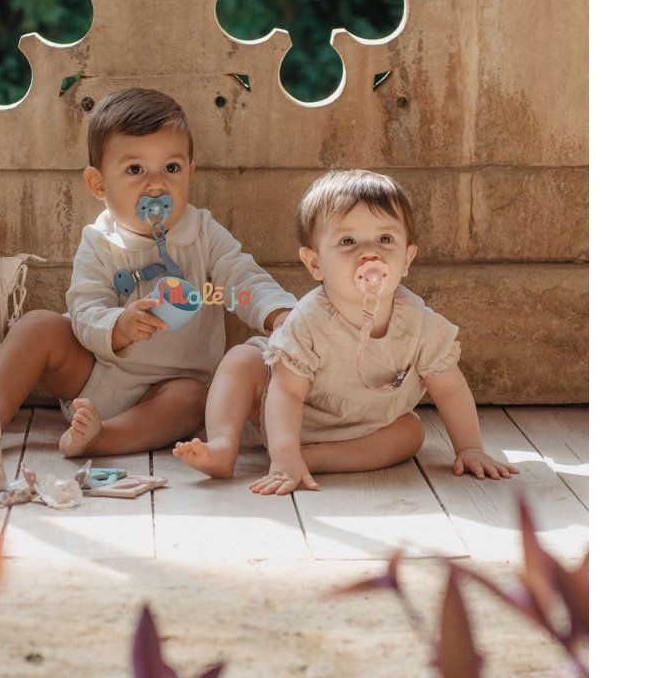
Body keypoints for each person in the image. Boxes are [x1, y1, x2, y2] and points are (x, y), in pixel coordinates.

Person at [0, 88, 297, 456]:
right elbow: (84, 309)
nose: (156, 185)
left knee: (196, 399)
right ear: (98, 184)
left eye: (171, 168)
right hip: (93, 373)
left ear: (189, 172)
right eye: (135, 170)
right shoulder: (100, 241)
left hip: (167, 390)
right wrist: (118, 326)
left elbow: (243, 281)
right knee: (36, 327)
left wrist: (279, 314)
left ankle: (104, 437)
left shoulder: (203, 233)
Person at [174, 169, 519, 494]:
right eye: (348, 240)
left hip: (365, 428)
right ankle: (224, 446)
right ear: (315, 263)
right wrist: (283, 454)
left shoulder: (420, 323)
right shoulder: (307, 321)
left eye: (385, 239)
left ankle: (314, 458)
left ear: (407, 258)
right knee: (242, 360)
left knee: (411, 433)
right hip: (286, 417)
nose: (370, 253)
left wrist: (470, 447)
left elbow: (451, 388)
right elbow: (287, 392)